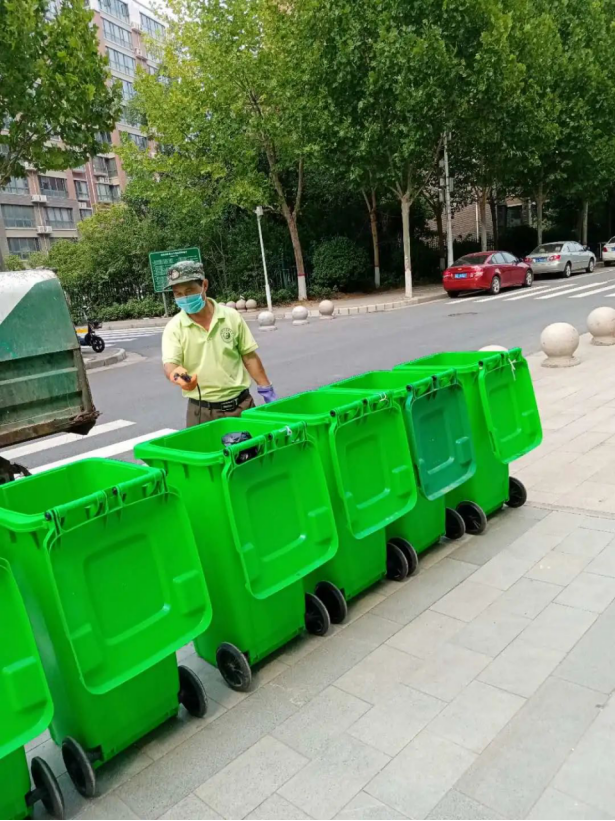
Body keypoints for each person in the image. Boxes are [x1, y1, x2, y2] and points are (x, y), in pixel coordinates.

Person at [161, 260, 277, 427]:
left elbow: (249, 357)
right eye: (178, 294)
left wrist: (266, 389)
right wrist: (180, 377)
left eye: (189, 291)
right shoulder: (174, 327)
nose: (184, 298)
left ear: (204, 285)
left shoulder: (231, 317)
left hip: (242, 406)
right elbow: (170, 365)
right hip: (202, 412)